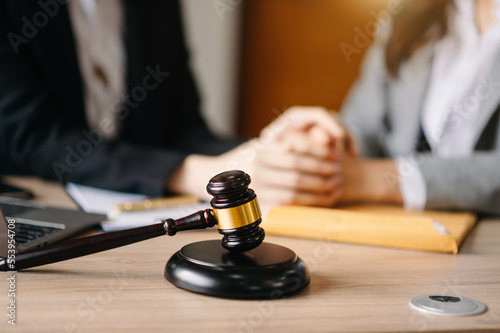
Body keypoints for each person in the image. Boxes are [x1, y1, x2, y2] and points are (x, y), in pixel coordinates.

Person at [0, 0, 343, 205]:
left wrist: (270, 151)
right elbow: (33, 139)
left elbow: (183, 128)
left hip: (142, 226)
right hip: (35, 220)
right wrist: (192, 173)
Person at [292, 0, 500, 214]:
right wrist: (328, 148)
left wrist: (372, 178)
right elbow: (365, 122)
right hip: (399, 224)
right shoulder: (411, 12)